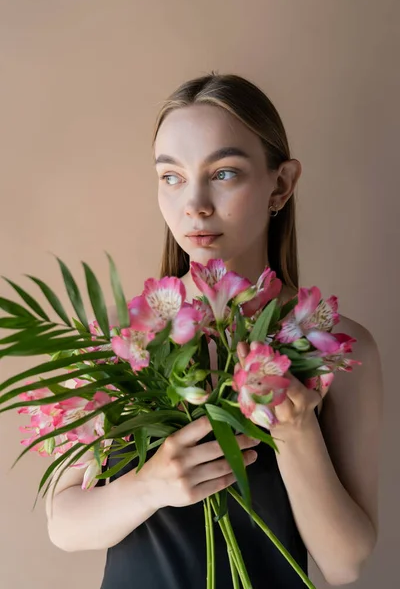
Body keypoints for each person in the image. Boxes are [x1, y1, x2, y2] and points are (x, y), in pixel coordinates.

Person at [46, 73, 383, 588]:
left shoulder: (334, 344)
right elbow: (64, 524)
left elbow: (346, 565)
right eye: (172, 176)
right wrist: (150, 486)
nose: (194, 204)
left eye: (224, 173)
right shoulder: (122, 337)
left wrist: (297, 434)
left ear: (282, 183)